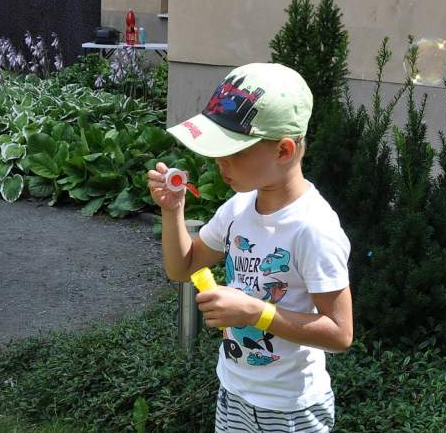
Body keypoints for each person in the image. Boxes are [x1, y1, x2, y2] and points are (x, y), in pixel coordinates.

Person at [147, 62, 352, 432]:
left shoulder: (313, 227)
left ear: (284, 150)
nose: (220, 162)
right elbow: (183, 268)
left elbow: (340, 333)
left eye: (235, 152)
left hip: (290, 409)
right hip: (234, 393)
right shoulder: (238, 208)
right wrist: (172, 211)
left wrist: (256, 313)